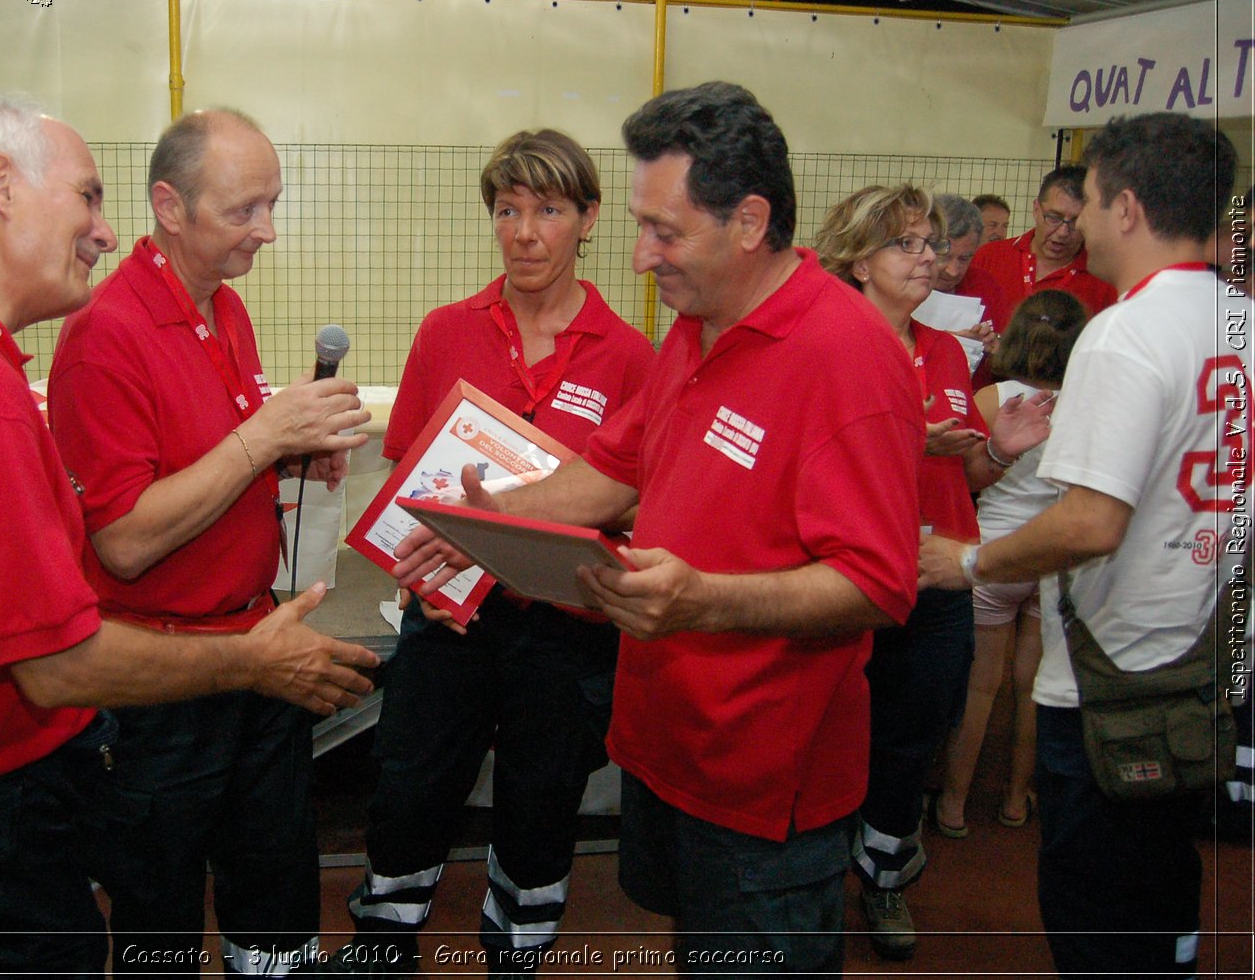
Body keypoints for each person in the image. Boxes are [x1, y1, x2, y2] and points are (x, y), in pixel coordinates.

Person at [0, 96, 379, 976]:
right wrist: (253, 657)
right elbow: (64, 646)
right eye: (87, 197)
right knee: (147, 917)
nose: (103, 232)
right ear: (0, 186)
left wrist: (275, 464)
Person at [394, 81, 926, 974]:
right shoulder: (697, 327)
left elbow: (879, 582)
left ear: (750, 222)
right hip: (670, 748)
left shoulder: (848, 356)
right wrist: (482, 523)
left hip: (763, 787)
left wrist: (704, 602)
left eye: (665, 231)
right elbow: (610, 472)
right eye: (640, 225)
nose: (640, 258)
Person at [46, 108, 372, 976]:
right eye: (244, 211)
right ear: (170, 206)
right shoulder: (104, 337)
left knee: (275, 896)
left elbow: (212, 470)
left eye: (272, 205)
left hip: (256, 649)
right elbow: (122, 540)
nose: (265, 231)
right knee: (159, 912)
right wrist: (263, 440)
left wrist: (288, 458)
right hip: (164, 686)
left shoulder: (224, 310)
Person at [325, 130, 654, 976]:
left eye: (548, 209)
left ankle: (519, 948)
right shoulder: (447, 332)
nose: (525, 231)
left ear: (588, 220)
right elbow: (406, 474)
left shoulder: (630, 358)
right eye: (508, 209)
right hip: (450, 618)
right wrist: (417, 579)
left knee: (543, 806)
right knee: (408, 791)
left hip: (566, 629)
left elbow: (637, 500)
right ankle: (383, 942)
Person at [920, 112, 1241, 977]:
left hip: (1112, 683)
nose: (1078, 222)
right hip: (1199, 656)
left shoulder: (1126, 334)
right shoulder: (1237, 320)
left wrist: (973, 561)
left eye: (1089, 200)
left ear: (1127, 208)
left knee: (1096, 909)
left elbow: (1092, 521)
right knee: (1163, 885)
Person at [815, 185, 1053, 961]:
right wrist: (912, 440)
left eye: (929, 244)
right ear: (855, 260)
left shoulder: (947, 351)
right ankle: (813, 881)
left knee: (910, 743)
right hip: (845, 584)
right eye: (905, 245)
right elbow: (816, 464)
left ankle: (884, 878)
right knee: (829, 738)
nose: (926, 259)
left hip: (937, 582)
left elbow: (965, 476)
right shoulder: (825, 348)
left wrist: (997, 452)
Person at [933, 290, 1088, 839]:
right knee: (1033, 688)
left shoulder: (996, 396)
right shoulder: (1089, 400)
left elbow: (963, 474)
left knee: (981, 689)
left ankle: (953, 804)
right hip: (1051, 557)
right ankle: (1017, 799)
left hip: (993, 555)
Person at [968, 167, 1116, 317]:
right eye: (1054, 218)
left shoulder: (1104, 277)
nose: (1063, 232)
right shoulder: (989, 257)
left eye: (1075, 221)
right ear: (1036, 209)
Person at [928, 193, 1011, 389]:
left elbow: (1009, 359)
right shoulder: (899, 284)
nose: (953, 270)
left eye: (964, 259)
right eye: (944, 256)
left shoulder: (985, 286)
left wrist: (996, 347)